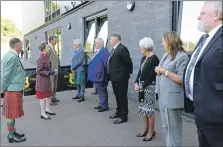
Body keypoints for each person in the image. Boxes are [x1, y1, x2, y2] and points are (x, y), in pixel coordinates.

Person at [184, 1, 223, 147]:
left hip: (218, 118)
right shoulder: (204, 39)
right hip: (201, 113)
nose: (198, 17)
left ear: (216, 15)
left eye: (202, 13)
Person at [155, 32, 189, 146]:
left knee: (174, 128)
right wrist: (159, 70)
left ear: (169, 41)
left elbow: (182, 79)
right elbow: (162, 69)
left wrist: (164, 71)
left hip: (173, 98)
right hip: (163, 95)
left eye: (163, 41)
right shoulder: (166, 54)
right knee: (165, 126)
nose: (162, 43)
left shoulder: (182, 56)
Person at [1, 38, 26, 143]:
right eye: (21, 45)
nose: (22, 47)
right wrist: (2, 88)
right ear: (17, 46)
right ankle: (11, 136)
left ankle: (12, 132)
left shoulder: (9, 55)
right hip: (12, 90)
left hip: (12, 89)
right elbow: (6, 76)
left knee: (12, 114)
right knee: (11, 114)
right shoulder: (13, 57)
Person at [135, 37, 159, 141]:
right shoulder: (143, 57)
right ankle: (145, 129)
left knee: (149, 110)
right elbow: (140, 72)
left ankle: (151, 131)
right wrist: (136, 82)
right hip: (142, 87)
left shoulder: (154, 59)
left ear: (146, 47)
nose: (140, 49)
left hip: (150, 87)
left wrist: (142, 85)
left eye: (141, 47)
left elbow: (152, 76)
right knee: (143, 109)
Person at [107, 34, 133, 124]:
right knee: (117, 96)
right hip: (114, 77)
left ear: (116, 39)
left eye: (111, 39)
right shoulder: (114, 49)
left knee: (122, 96)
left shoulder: (122, 48)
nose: (109, 41)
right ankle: (118, 112)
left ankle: (123, 116)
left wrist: (125, 74)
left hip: (121, 78)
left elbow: (128, 62)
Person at [36, 41, 56, 120]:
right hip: (42, 80)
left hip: (46, 79)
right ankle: (43, 113)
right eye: (47, 47)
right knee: (42, 97)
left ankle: (47, 109)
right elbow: (38, 71)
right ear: (44, 49)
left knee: (49, 95)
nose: (49, 48)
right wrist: (49, 72)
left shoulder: (45, 56)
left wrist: (51, 70)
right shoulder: (41, 57)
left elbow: (46, 67)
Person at [88, 38, 110, 112]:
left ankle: (104, 105)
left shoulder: (104, 51)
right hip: (97, 75)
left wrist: (106, 75)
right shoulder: (98, 51)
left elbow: (107, 64)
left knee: (102, 91)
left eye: (96, 43)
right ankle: (101, 103)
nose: (95, 44)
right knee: (99, 91)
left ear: (101, 43)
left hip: (101, 75)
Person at [47, 35, 60, 105]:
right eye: (55, 40)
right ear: (51, 40)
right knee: (51, 85)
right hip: (51, 70)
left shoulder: (53, 48)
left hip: (55, 70)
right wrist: (48, 69)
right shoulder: (47, 47)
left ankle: (53, 97)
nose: (56, 41)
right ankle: (50, 100)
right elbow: (45, 59)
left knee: (55, 85)